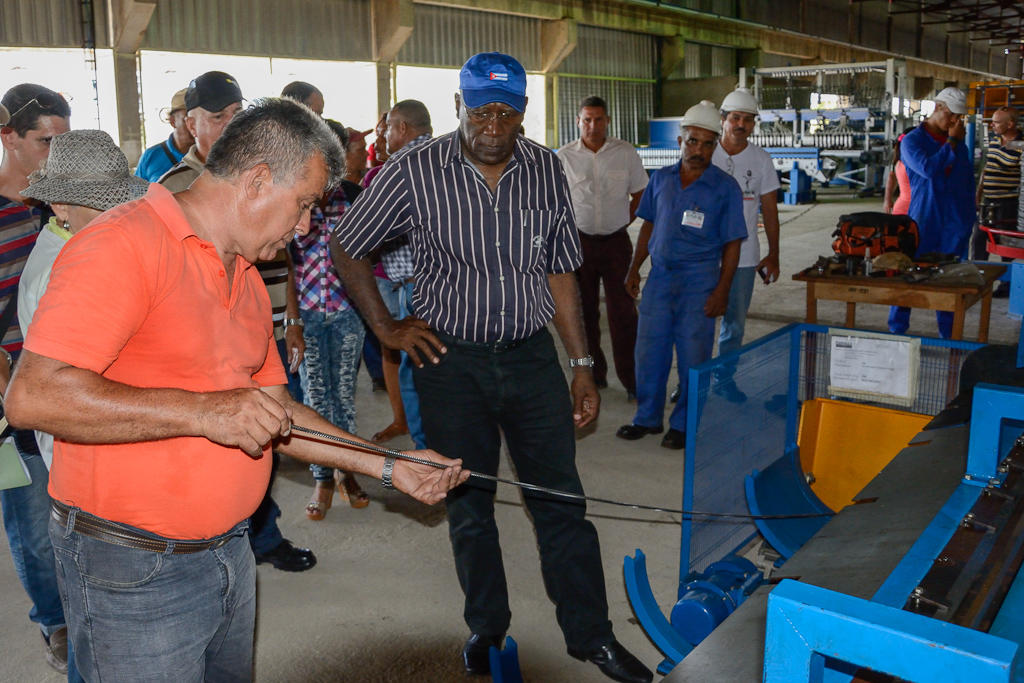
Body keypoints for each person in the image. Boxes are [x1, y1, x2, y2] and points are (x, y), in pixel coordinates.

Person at [5, 97, 467, 682]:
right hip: (133, 567)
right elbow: (33, 397)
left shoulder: (245, 274)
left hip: (229, 551)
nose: (305, 228)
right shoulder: (122, 243)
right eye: (304, 205)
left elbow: (276, 412)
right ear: (257, 180)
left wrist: (389, 465)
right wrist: (204, 412)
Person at [330, 52, 652, 683]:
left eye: (506, 113)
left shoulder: (545, 170)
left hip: (531, 358)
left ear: (524, 112)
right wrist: (386, 327)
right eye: (480, 111)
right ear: (459, 106)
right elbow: (347, 243)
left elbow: (561, 270)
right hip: (450, 362)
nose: (493, 126)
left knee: (561, 500)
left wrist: (581, 363)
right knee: (468, 502)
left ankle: (591, 635)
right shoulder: (413, 170)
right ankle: (487, 627)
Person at [160, 71, 314, 572]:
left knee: (272, 427)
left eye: (236, 113)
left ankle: (259, 533)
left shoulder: (270, 185)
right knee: (225, 435)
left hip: (266, 324)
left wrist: (291, 318)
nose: (230, 123)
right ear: (191, 123)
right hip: (213, 341)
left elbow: (285, 258)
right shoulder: (175, 190)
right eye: (218, 115)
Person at [617, 100, 746, 450]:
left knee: (693, 355)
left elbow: (733, 244)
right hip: (659, 278)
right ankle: (647, 417)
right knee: (649, 351)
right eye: (692, 141)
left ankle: (685, 424)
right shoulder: (661, 180)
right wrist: (635, 268)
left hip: (699, 281)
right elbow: (648, 225)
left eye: (707, 144)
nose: (698, 150)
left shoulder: (725, 188)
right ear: (680, 141)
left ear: (715, 146)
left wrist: (722, 290)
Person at [19, 130, 149, 467]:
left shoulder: (72, 246)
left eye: (121, 202)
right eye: (102, 204)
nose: (118, 213)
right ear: (61, 206)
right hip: (86, 454)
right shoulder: (64, 270)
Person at [0, 83, 74, 676]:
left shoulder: (68, 206)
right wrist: (9, 398)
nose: (59, 154)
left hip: (70, 384)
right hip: (11, 401)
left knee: (76, 509)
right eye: (47, 141)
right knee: (31, 520)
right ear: (9, 138)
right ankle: (55, 620)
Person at [293, 118, 370, 521]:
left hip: (346, 314)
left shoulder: (355, 198)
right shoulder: (293, 197)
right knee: (315, 398)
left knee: (344, 397)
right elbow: (284, 261)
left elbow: (368, 254)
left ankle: (347, 469)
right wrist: (290, 320)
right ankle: (322, 477)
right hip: (306, 314)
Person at [556, 95, 647, 400]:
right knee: (584, 314)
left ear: (607, 121)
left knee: (624, 313)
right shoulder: (564, 157)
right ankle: (594, 375)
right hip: (579, 244)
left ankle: (632, 380)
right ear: (578, 122)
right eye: (587, 120)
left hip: (616, 244)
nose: (592, 126)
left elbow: (641, 195)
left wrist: (621, 220)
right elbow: (556, 201)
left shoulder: (625, 153)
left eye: (598, 120)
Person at [368, 99, 433, 449]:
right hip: (450, 285)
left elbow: (367, 232)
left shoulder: (399, 166)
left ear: (402, 128)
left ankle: (425, 450)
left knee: (415, 368)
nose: (386, 135)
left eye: (389, 128)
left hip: (415, 287)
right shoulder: (450, 157)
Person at [710, 87, 780, 403]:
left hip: (745, 256)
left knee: (734, 325)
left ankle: (724, 380)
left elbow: (770, 210)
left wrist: (774, 254)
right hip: (704, 256)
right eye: (735, 118)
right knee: (695, 324)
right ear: (723, 119)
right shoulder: (706, 153)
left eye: (748, 120)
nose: (741, 124)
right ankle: (690, 383)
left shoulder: (760, 159)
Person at [888, 87, 974, 338]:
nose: (956, 121)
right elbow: (927, 169)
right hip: (925, 218)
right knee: (909, 273)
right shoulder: (913, 141)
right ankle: (898, 332)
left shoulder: (960, 144)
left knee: (949, 281)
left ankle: (949, 336)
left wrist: (967, 218)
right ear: (938, 108)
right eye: (952, 115)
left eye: (959, 117)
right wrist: (952, 143)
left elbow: (965, 181)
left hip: (955, 220)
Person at [973, 107, 1021, 294]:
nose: (992, 125)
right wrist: (979, 192)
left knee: (1006, 245)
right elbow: (987, 167)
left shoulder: (1020, 144)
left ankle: (1006, 286)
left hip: (1008, 204)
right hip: (988, 202)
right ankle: (977, 281)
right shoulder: (994, 140)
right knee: (978, 240)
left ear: (1010, 124)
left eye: (996, 122)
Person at [134, 88, 193, 182]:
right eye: (186, 119)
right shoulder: (151, 156)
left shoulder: (211, 155)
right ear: (173, 121)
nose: (194, 125)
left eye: (199, 119)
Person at [882, 127, 915, 217]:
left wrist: (887, 199)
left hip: (901, 208)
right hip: (913, 209)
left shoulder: (898, 159)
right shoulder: (914, 162)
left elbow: (891, 177)